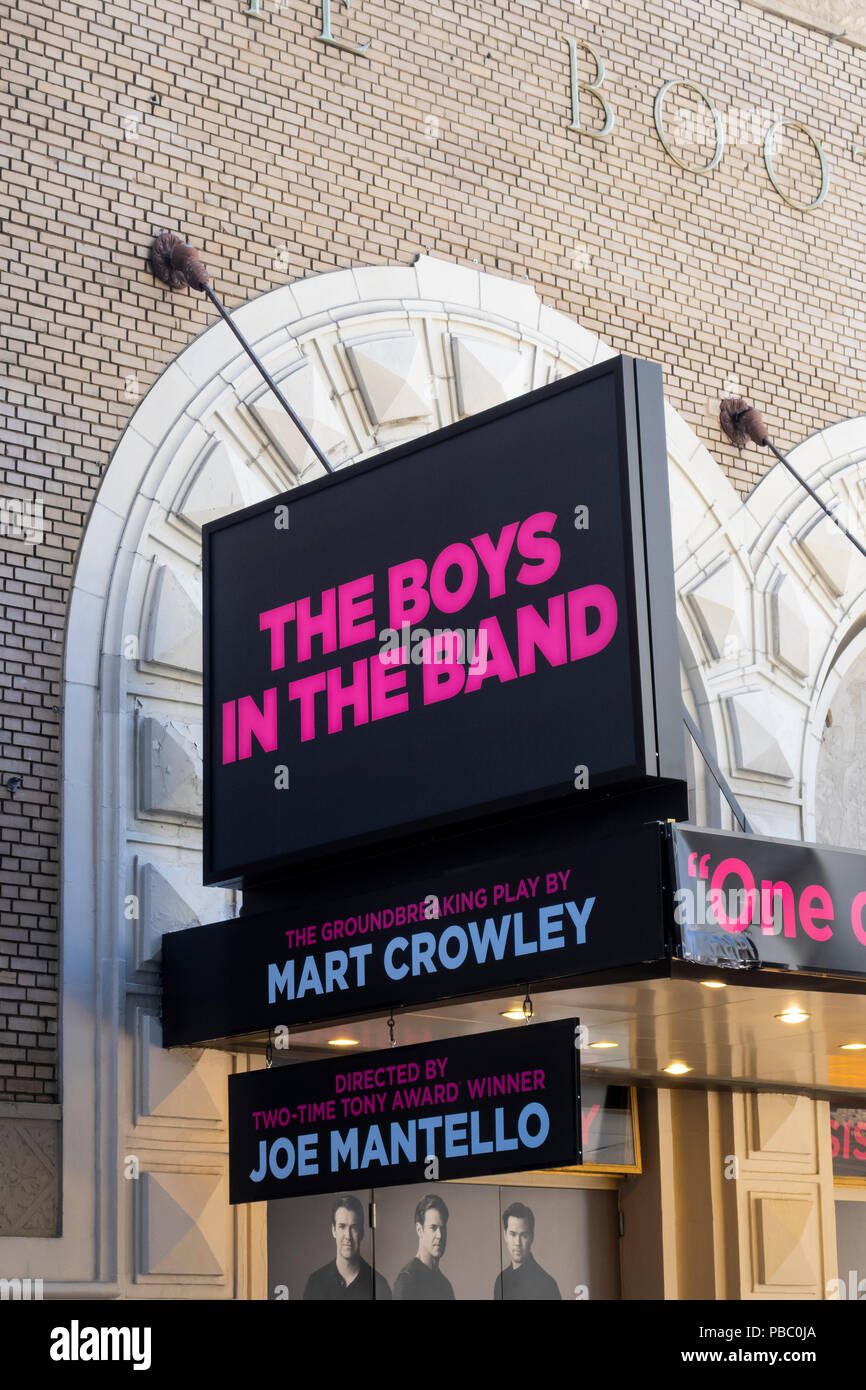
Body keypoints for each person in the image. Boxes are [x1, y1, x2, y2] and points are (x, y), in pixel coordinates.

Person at [303, 1194, 391, 1300]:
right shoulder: (315, 1282)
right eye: (342, 1226)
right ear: (333, 1230)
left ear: (362, 1232)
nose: (348, 1236)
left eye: (354, 1227)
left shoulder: (379, 1284)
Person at [493, 1201, 561, 1300]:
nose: (517, 1242)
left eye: (524, 1235)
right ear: (505, 1235)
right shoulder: (501, 1281)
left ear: (531, 1237)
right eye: (513, 1234)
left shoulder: (547, 1284)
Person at [393, 1194, 455, 1300]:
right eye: (433, 1228)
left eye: (443, 1228)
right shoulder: (407, 1280)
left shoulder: (445, 1285)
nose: (440, 1235)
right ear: (419, 1230)